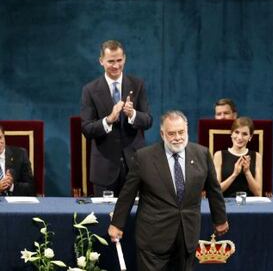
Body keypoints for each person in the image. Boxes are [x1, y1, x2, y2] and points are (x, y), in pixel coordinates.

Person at [108, 110, 228, 271]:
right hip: (153, 237)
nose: (178, 137)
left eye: (181, 132)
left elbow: (214, 190)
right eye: (172, 133)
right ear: (162, 134)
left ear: (187, 130)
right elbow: (127, 194)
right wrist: (117, 224)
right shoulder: (144, 157)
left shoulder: (202, 154)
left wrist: (220, 219)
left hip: (187, 236)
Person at [80, 40, 153, 197]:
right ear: (101, 61)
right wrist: (108, 120)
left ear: (124, 59)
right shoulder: (90, 90)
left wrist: (133, 114)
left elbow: (148, 120)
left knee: (136, 219)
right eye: (111, 61)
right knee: (105, 219)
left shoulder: (137, 85)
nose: (116, 65)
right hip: (104, 170)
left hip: (134, 167)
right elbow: (86, 129)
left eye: (119, 60)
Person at [213, 117, 262, 197]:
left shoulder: (257, 156)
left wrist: (247, 172)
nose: (239, 137)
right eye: (237, 132)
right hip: (226, 204)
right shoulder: (219, 155)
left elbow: (258, 193)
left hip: (249, 204)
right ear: (231, 133)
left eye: (245, 134)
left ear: (250, 137)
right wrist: (234, 174)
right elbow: (216, 190)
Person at [0, 125, 34, 196]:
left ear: (4, 136)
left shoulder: (20, 154)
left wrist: (11, 186)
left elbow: (31, 187)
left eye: (0, 138)